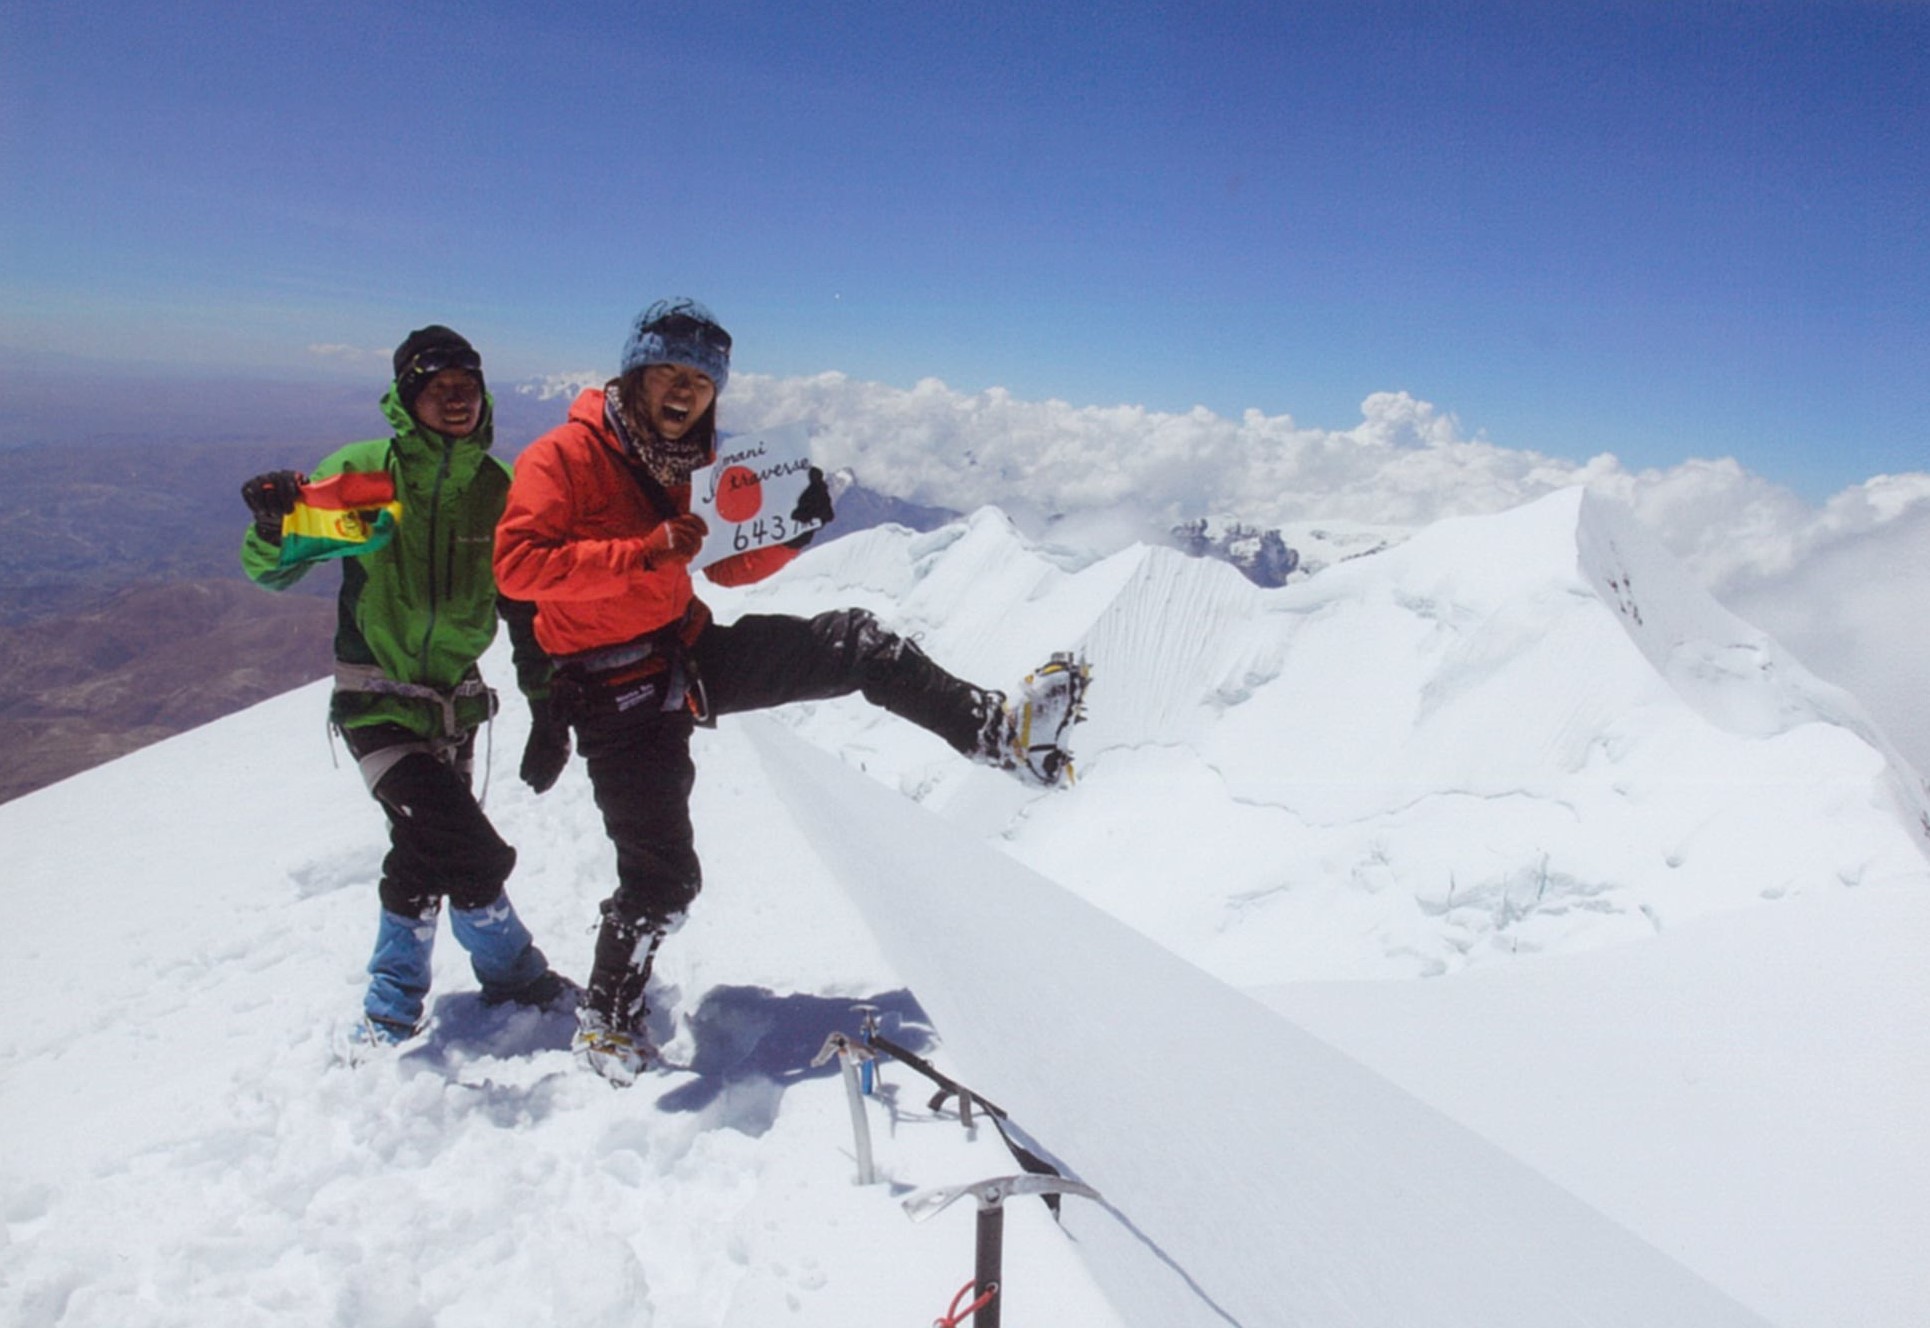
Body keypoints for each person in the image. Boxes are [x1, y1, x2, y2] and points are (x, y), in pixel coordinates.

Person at [493, 298, 1088, 1085]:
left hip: (688, 652)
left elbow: (717, 563)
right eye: (669, 372)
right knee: (664, 882)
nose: (684, 392)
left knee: (859, 645)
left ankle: (999, 732)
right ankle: (607, 1017)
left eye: (701, 382)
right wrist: (640, 552)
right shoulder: (564, 457)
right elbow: (518, 567)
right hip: (612, 693)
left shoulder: (692, 464)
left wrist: (788, 535)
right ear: (635, 374)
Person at [240, 326, 575, 1054]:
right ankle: (514, 976)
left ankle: (389, 1013)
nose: (456, 401)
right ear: (407, 395)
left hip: (456, 708)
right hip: (375, 702)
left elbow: (526, 608)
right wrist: (274, 523)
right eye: (438, 388)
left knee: (423, 851)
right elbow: (274, 567)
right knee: (472, 852)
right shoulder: (366, 474)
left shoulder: (500, 490)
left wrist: (548, 707)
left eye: (467, 387)